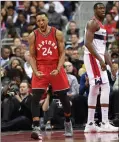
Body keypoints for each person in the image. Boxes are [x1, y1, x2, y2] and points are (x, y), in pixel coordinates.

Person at [28, 12, 73, 140]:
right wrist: (35, 71)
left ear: (47, 20)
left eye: (43, 20)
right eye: (38, 21)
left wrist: (59, 69)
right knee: (35, 97)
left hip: (55, 66)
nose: (41, 23)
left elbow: (62, 53)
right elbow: (32, 56)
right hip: (41, 67)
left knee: (63, 97)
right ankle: (36, 127)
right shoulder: (33, 35)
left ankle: (68, 122)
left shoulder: (57, 33)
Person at [84, 3, 118, 132]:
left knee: (94, 88)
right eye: (99, 8)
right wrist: (100, 60)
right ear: (94, 10)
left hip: (97, 58)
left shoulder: (102, 26)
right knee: (105, 86)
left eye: (104, 8)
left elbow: (103, 49)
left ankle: (90, 124)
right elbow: (87, 43)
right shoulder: (93, 23)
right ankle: (104, 123)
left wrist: (111, 65)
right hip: (93, 58)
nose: (102, 10)